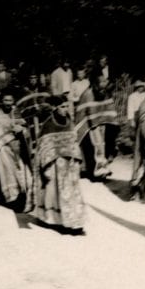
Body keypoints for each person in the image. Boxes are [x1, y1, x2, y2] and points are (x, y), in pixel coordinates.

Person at [32, 95, 86, 234]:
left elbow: (74, 141)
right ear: (55, 109)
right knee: (56, 192)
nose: (65, 109)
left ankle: (75, 221)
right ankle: (56, 220)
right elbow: (44, 146)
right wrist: (48, 165)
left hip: (70, 163)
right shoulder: (49, 124)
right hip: (55, 164)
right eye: (62, 107)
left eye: (67, 106)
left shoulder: (69, 121)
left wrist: (77, 159)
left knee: (72, 191)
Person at [0, 90, 33, 209]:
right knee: (7, 166)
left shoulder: (15, 112)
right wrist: (15, 125)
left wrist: (22, 128)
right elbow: (1, 126)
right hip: (1, 147)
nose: (8, 103)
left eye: (10, 100)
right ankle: (11, 198)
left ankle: (21, 198)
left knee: (21, 168)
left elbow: (23, 127)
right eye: (5, 100)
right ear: (1, 102)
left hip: (15, 146)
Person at [74, 74, 119, 180]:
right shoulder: (88, 94)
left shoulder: (105, 93)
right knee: (95, 145)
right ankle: (95, 172)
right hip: (88, 125)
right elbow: (87, 113)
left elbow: (109, 107)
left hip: (102, 123)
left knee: (104, 144)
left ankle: (103, 168)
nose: (104, 84)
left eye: (105, 82)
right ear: (95, 83)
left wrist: (111, 122)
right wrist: (94, 124)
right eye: (101, 82)